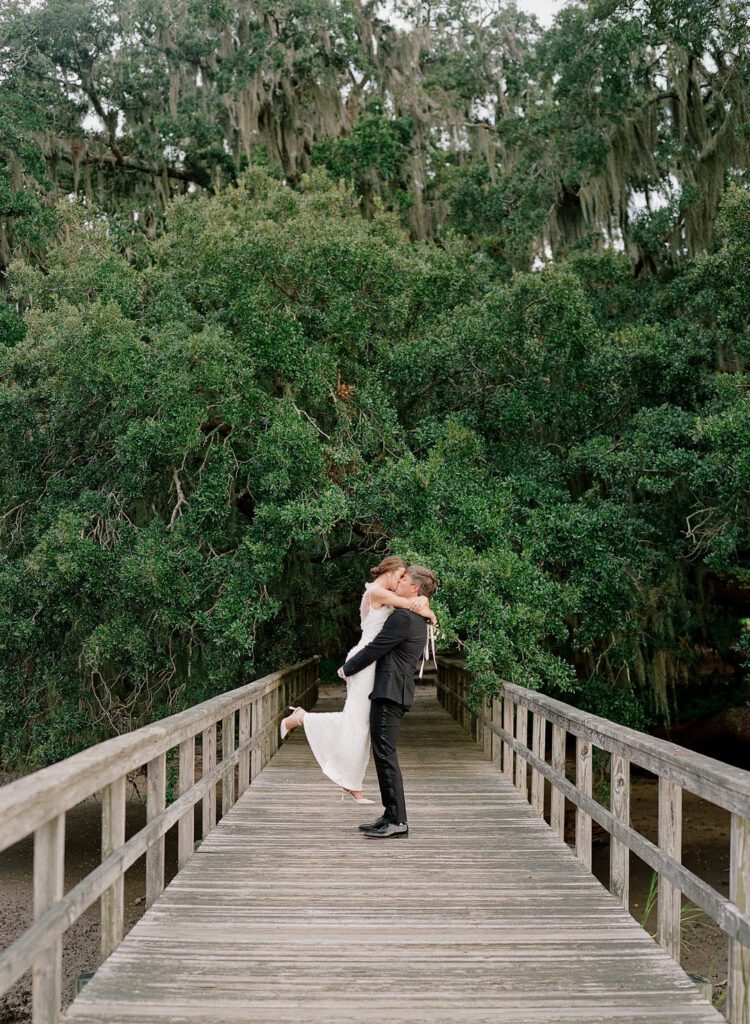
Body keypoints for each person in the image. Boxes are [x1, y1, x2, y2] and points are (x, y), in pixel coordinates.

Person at [279, 557, 436, 803]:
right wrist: (427, 605)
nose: (401, 580)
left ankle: (351, 782)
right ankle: (305, 723)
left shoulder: (382, 593)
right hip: (365, 659)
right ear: (391, 572)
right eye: (400, 575)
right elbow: (412, 605)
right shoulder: (377, 592)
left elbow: (412, 604)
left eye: (405, 578)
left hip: (372, 661)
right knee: (358, 722)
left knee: (360, 723)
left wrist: (424, 600)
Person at [340, 565, 439, 839]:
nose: (400, 580)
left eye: (405, 578)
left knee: (385, 755)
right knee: (384, 753)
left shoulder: (404, 619)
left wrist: (346, 669)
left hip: (390, 691)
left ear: (414, 589)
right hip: (394, 690)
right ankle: (390, 814)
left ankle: (397, 821)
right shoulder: (414, 615)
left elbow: (375, 648)